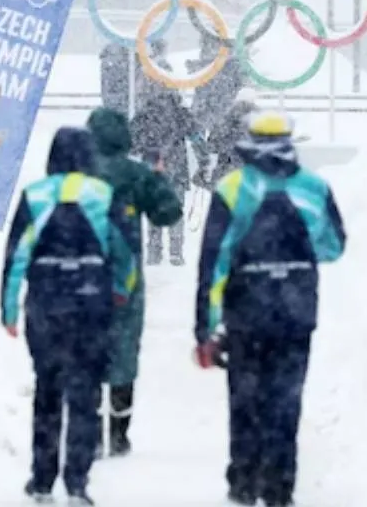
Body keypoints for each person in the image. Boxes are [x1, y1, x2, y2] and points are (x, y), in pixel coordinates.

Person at [192, 111, 347, 507]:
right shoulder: (313, 187)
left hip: (246, 315)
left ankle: (244, 481)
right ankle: (280, 487)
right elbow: (333, 247)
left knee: (245, 400)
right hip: (296, 315)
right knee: (285, 402)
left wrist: (205, 328)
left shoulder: (232, 188)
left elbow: (214, 263)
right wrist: (294, 258)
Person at [1, 126, 136, 507]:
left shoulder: (35, 195)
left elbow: (16, 257)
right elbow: (124, 255)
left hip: (46, 305)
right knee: (84, 395)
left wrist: (8, 307)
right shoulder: (102, 194)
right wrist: (120, 291)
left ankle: (42, 481)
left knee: (47, 391)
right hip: (91, 305)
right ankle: (77, 483)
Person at [86, 107, 183, 458]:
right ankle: (118, 433)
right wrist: (159, 178)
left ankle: (90, 431)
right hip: (126, 281)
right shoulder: (136, 174)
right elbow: (168, 213)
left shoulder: (76, 173)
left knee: (87, 353)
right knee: (124, 353)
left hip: (81, 277)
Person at [130, 89, 204, 266]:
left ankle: (154, 251)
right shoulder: (181, 112)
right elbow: (197, 137)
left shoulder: (146, 113)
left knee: (153, 207)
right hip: (177, 169)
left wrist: (143, 149)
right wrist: (204, 158)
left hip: (153, 168)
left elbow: (132, 141)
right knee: (176, 209)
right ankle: (176, 252)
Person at [196, 87, 258, 189]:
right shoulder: (259, 115)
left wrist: (213, 147)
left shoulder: (229, 113)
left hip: (228, 160)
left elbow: (217, 135)